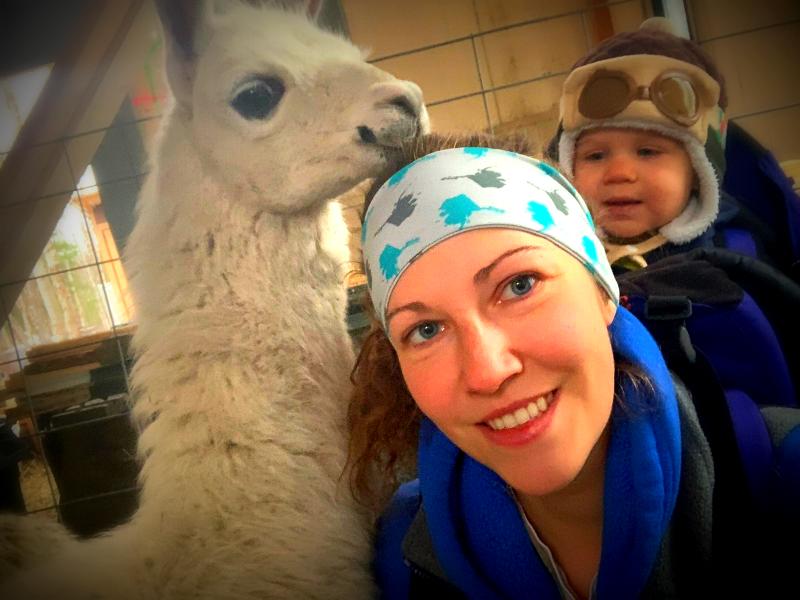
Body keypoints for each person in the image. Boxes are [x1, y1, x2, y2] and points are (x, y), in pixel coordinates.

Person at [347, 133, 800, 598]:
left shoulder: (784, 470)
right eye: (425, 330)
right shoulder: (398, 560)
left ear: (602, 288)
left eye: (520, 285)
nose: (488, 371)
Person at [547, 18, 790, 274]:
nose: (619, 173)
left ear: (698, 173)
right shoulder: (555, 255)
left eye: (647, 152)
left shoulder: (737, 260)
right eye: (595, 156)